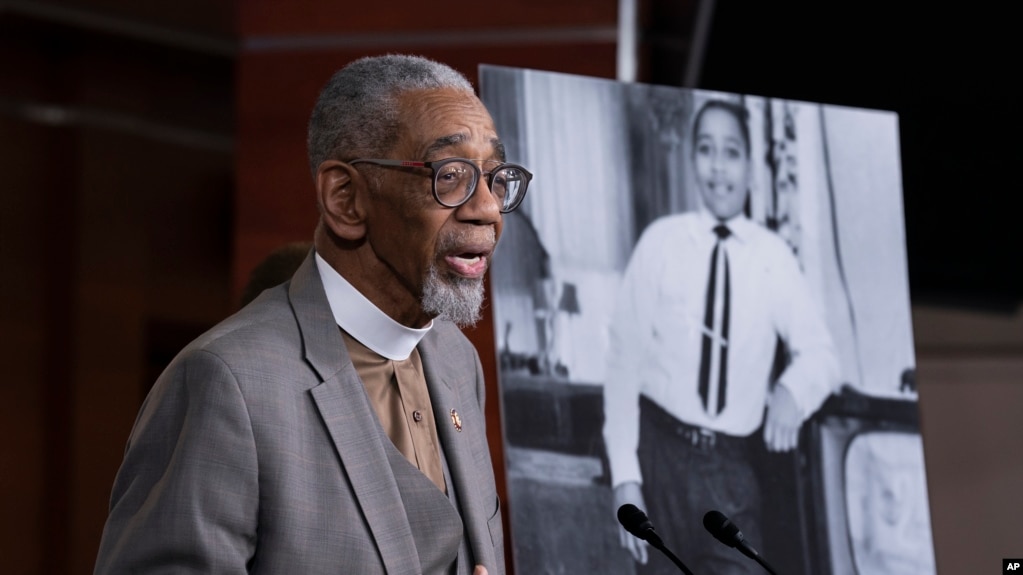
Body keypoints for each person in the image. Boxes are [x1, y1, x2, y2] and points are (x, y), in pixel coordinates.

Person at [94, 54, 533, 575]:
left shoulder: (457, 359)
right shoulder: (228, 380)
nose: (487, 209)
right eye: (451, 175)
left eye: (495, 177)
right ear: (345, 199)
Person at [602, 99, 839, 574]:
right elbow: (622, 363)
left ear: (750, 165)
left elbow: (823, 357)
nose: (718, 167)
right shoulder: (661, 243)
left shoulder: (773, 258)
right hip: (659, 458)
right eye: (706, 150)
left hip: (732, 470)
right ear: (693, 160)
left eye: (731, 152)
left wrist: (793, 390)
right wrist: (626, 479)